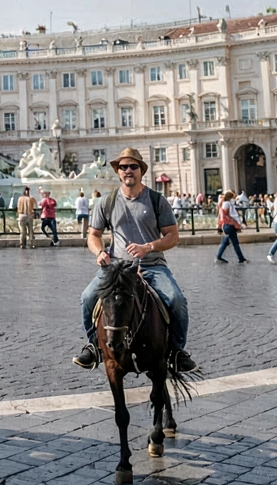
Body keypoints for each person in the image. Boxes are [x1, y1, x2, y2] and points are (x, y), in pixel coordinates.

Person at [74, 147, 196, 373]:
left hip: (153, 266)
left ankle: (178, 351)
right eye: (123, 167)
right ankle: (93, 346)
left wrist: (148, 247)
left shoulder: (157, 200)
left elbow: (173, 236)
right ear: (118, 172)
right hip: (117, 268)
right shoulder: (107, 202)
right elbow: (93, 235)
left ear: (141, 171)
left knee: (177, 300)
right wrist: (100, 252)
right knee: (87, 297)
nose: (128, 170)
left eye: (133, 166)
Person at [215, 191, 248, 263]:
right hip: (230, 225)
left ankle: (218, 257)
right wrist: (235, 223)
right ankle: (241, 259)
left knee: (225, 242)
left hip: (227, 225)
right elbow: (227, 214)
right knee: (235, 243)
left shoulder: (226, 203)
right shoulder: (227, 203)